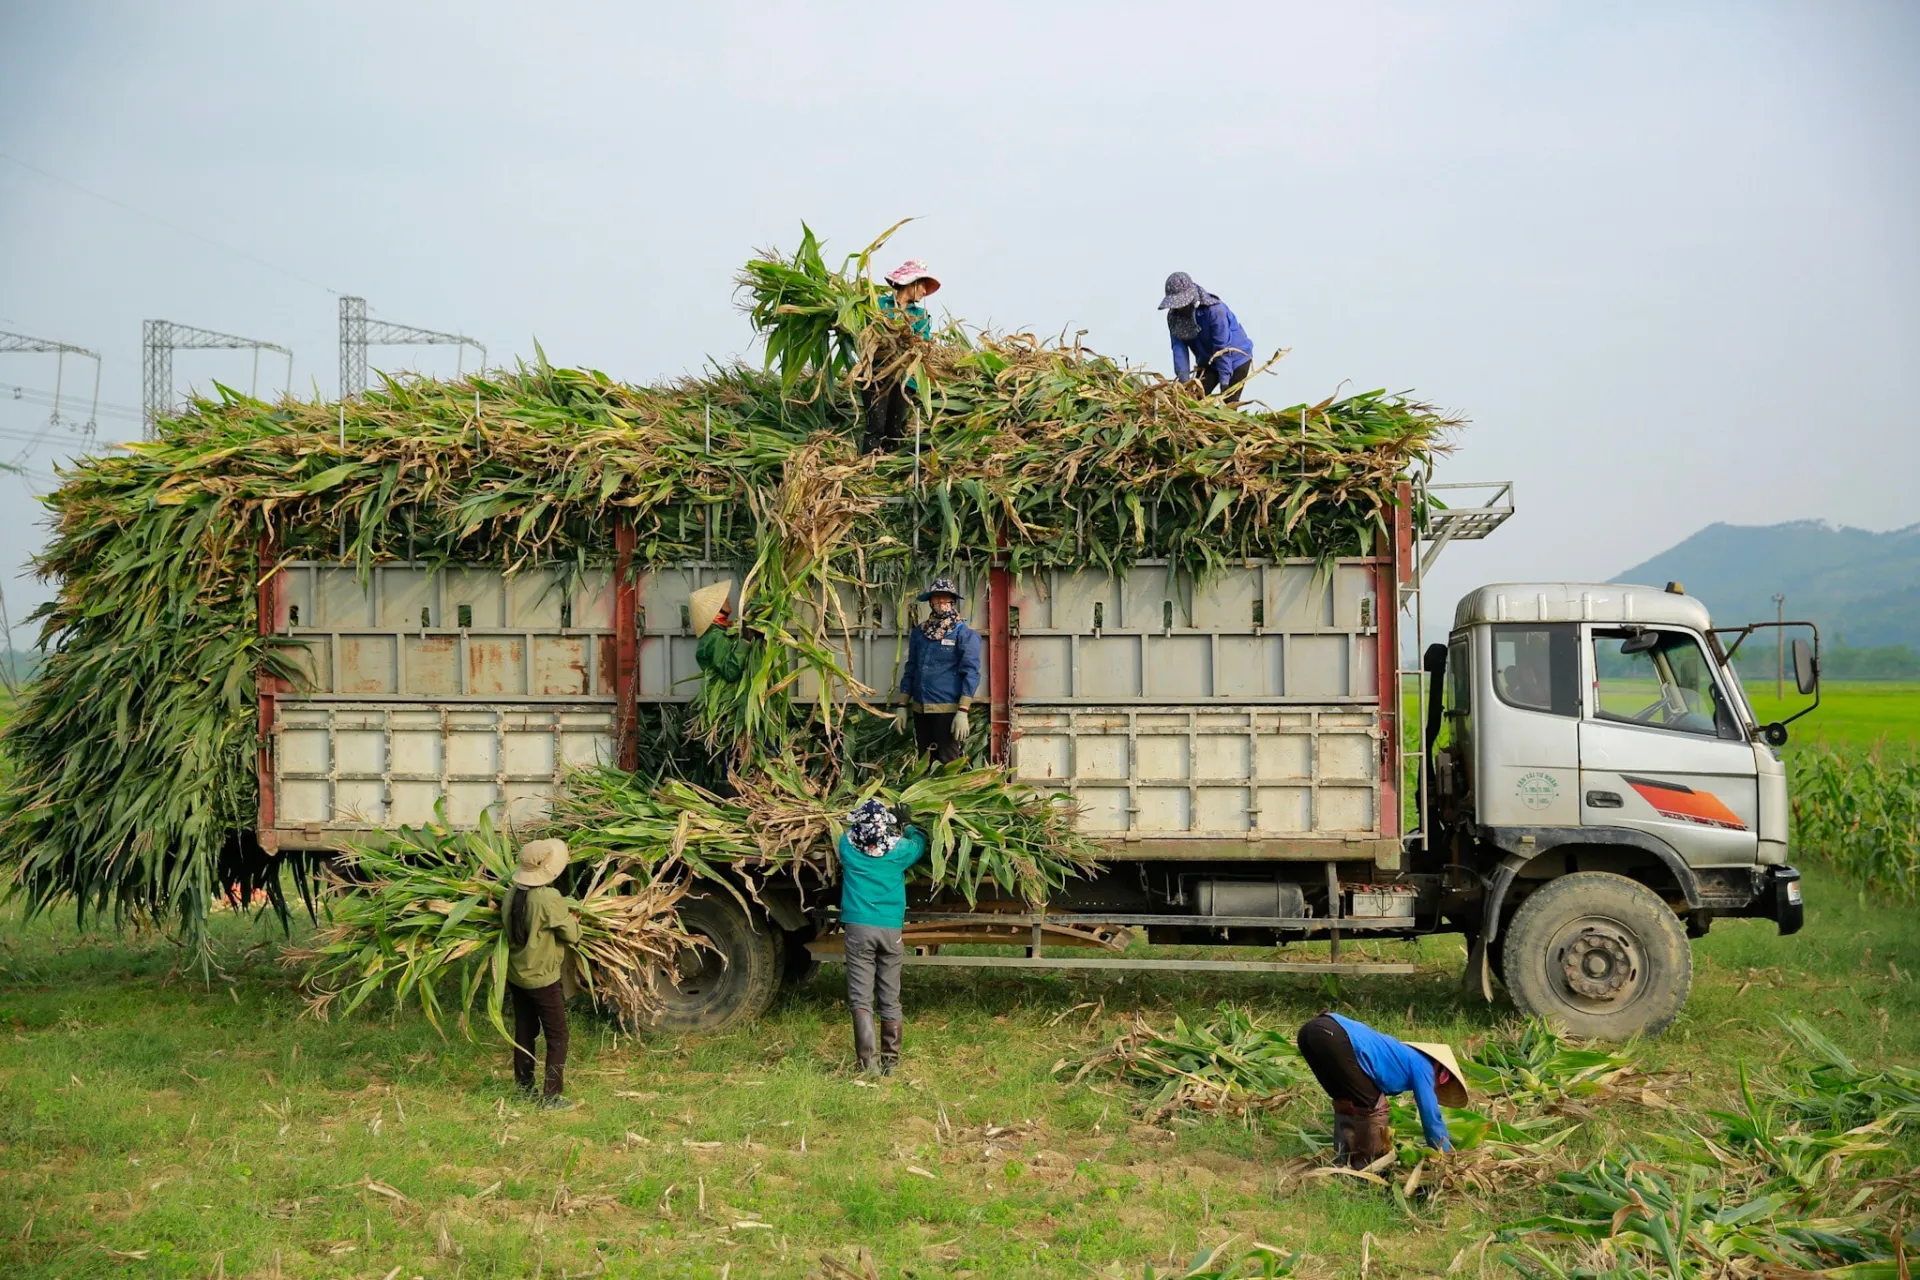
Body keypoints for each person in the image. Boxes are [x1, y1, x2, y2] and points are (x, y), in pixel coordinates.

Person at [1295, 1012, 1466, 1168]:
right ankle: (1369, 1168)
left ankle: (1342, 1162)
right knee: (1374, 1106)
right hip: (1334, 1036)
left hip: (1310, 1032)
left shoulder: (1404, 1055)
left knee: (1345, 1101)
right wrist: (1444, 1155)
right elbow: (1431, 1117)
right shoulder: (1424, 1067)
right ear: (1443, 1075)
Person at [836, 798, 928, 1075]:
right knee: (890, 997)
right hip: (890, 930)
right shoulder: (900, 851)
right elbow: (920, 842)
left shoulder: (847, 848)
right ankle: (891, 1062)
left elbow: (847, 832)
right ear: (884, 826)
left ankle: (868, 1064)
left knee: (861, 999)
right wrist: (907, 825)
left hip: (858, 929)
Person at [502, 838, 581, 1109]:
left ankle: (524, 1087)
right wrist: (574, 922)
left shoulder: (511, 894)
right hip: (543, 979)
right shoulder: (548, 898)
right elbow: (572, 935)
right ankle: (551, 1096)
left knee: (525, 1029)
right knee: (558, 1035)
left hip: (516, 975)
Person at [893, 575, 982, 764]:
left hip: (947, 711)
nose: (941, 602)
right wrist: (902, 705)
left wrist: (963, 711)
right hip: (920, 710)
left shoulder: (964, 633)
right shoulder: (919, 633)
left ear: (953, 601)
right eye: (936, 598)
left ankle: (954, 794)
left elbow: (971, 672)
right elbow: (911, 669)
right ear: (930, 602)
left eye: (945, 598)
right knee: (925, 762)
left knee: (948, 762)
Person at [862, 260, 941, 453]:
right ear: (911, 282)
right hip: (877, 374)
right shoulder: (878, 304)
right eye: (922, 285)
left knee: (895, 430)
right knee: (876, 426)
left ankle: (888, 472)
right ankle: (866, 469)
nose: (924, 292)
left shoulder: (921, 316)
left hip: (906, 380)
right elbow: (864, 330)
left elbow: (922, 344)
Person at [1159, 271, 1254, 405]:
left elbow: (1222, 347)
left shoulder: (1215, 311)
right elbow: (1178, 349)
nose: (1180, 307)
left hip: (1236, 359)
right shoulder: (1174, 317)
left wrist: (1224, 382)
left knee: (1228, 406)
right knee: (1192, 401)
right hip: (1208, 362)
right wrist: (1184, 384)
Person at [690, 579, 745, 682]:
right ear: (714, 608)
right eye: (723, 599)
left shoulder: (715, 632)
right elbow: (730, 672)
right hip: (728, 696)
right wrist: (746, 642)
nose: (728, 600)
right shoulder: (716, 636)